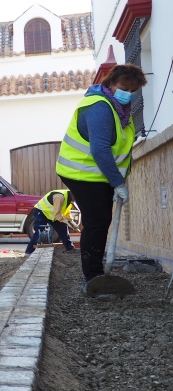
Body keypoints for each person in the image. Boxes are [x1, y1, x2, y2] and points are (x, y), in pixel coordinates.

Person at [55, 64, 147, 295]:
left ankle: (94, 272)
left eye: (133, 90)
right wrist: (117, 182)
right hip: (82, 173)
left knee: (100, 221)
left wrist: (117, 179)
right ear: (110, 84)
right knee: (97, 221)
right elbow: (100, 150)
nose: (129, 93)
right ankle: (92, 276)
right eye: (124, 87)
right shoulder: (100, 107)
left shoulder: (118, 109)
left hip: (97, 175)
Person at [24, 189, 79, 255]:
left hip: (52, 215)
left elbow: (66, 213)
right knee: (38, 232)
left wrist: (72, 223)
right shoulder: (59, 197)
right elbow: (57, 214)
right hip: (42, 212)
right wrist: (66, 222)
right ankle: (28, 252)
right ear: (73, 194)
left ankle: (70, 248)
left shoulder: (70, 200)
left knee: (63, 229)